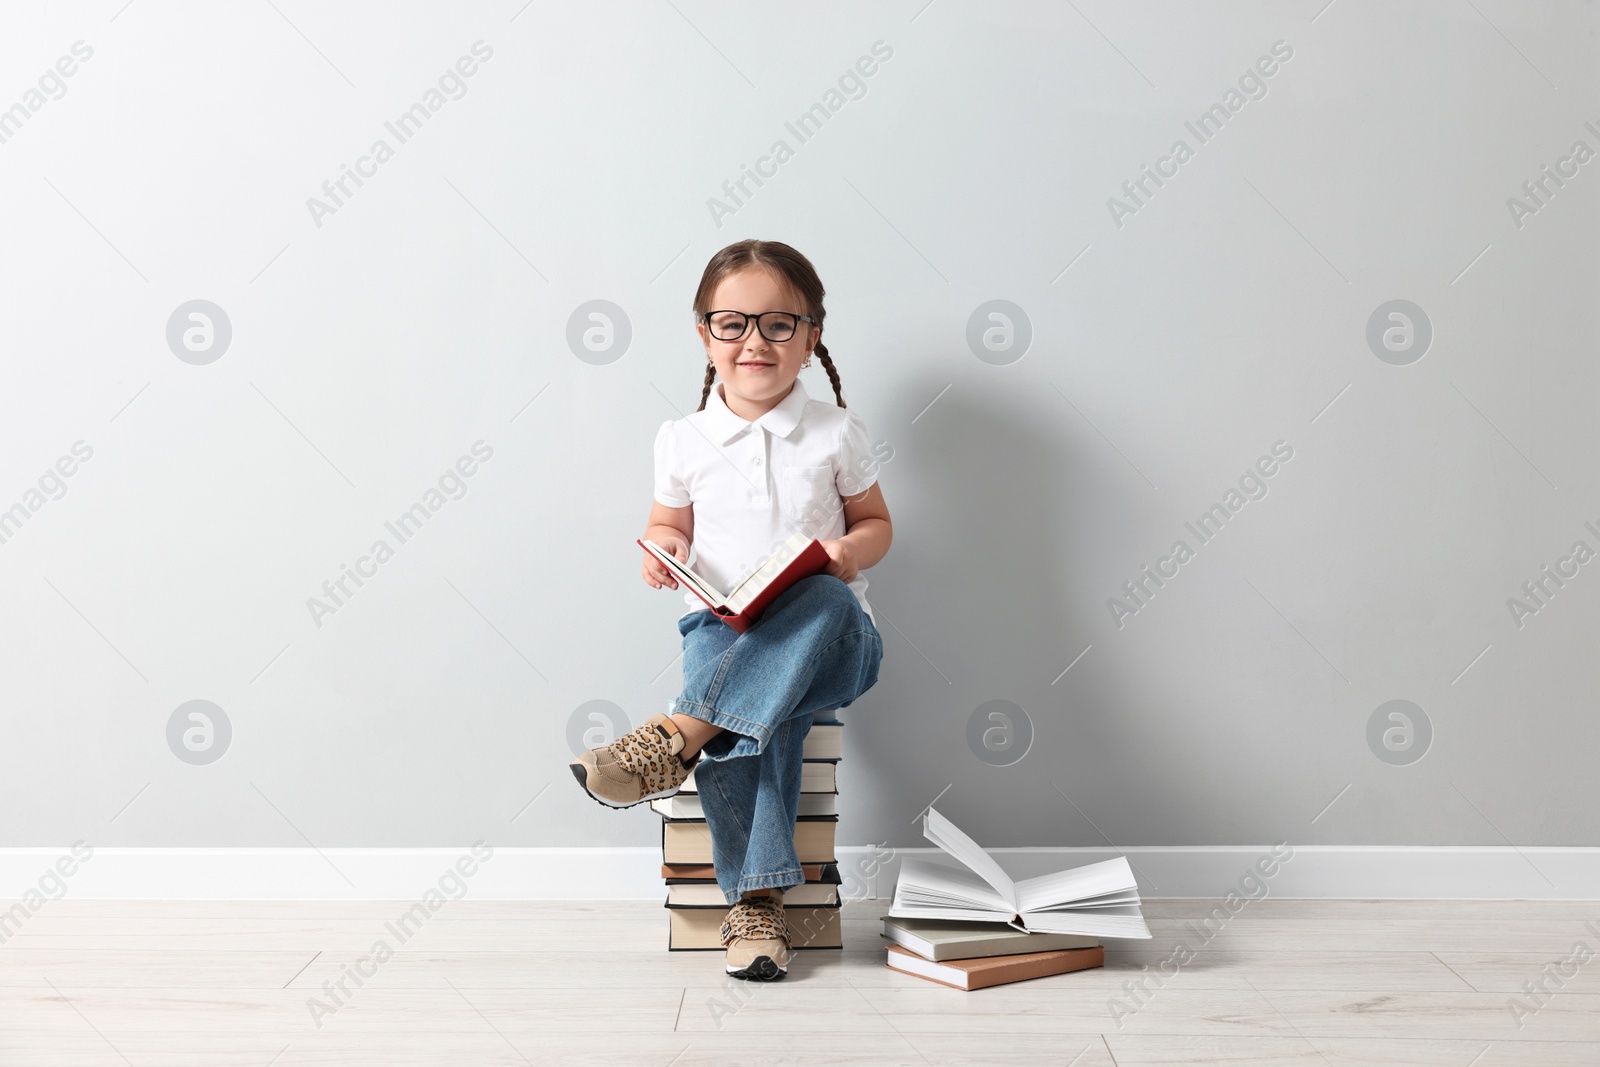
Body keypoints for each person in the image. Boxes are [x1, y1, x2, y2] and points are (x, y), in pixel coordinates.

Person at [570, 239, 891, 980]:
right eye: (733, 323)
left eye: (780, 324)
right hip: (720, 629)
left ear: (811, 338)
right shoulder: (682, 437)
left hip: (836, 637)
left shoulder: (837, 431)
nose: (755, 341)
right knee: (762, 714)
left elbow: (877, 523)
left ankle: (675, 736)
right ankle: (757, 906)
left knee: (820, 595)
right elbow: (669, 524)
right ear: (703, 334)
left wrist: (849, 553)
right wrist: (660, 548)